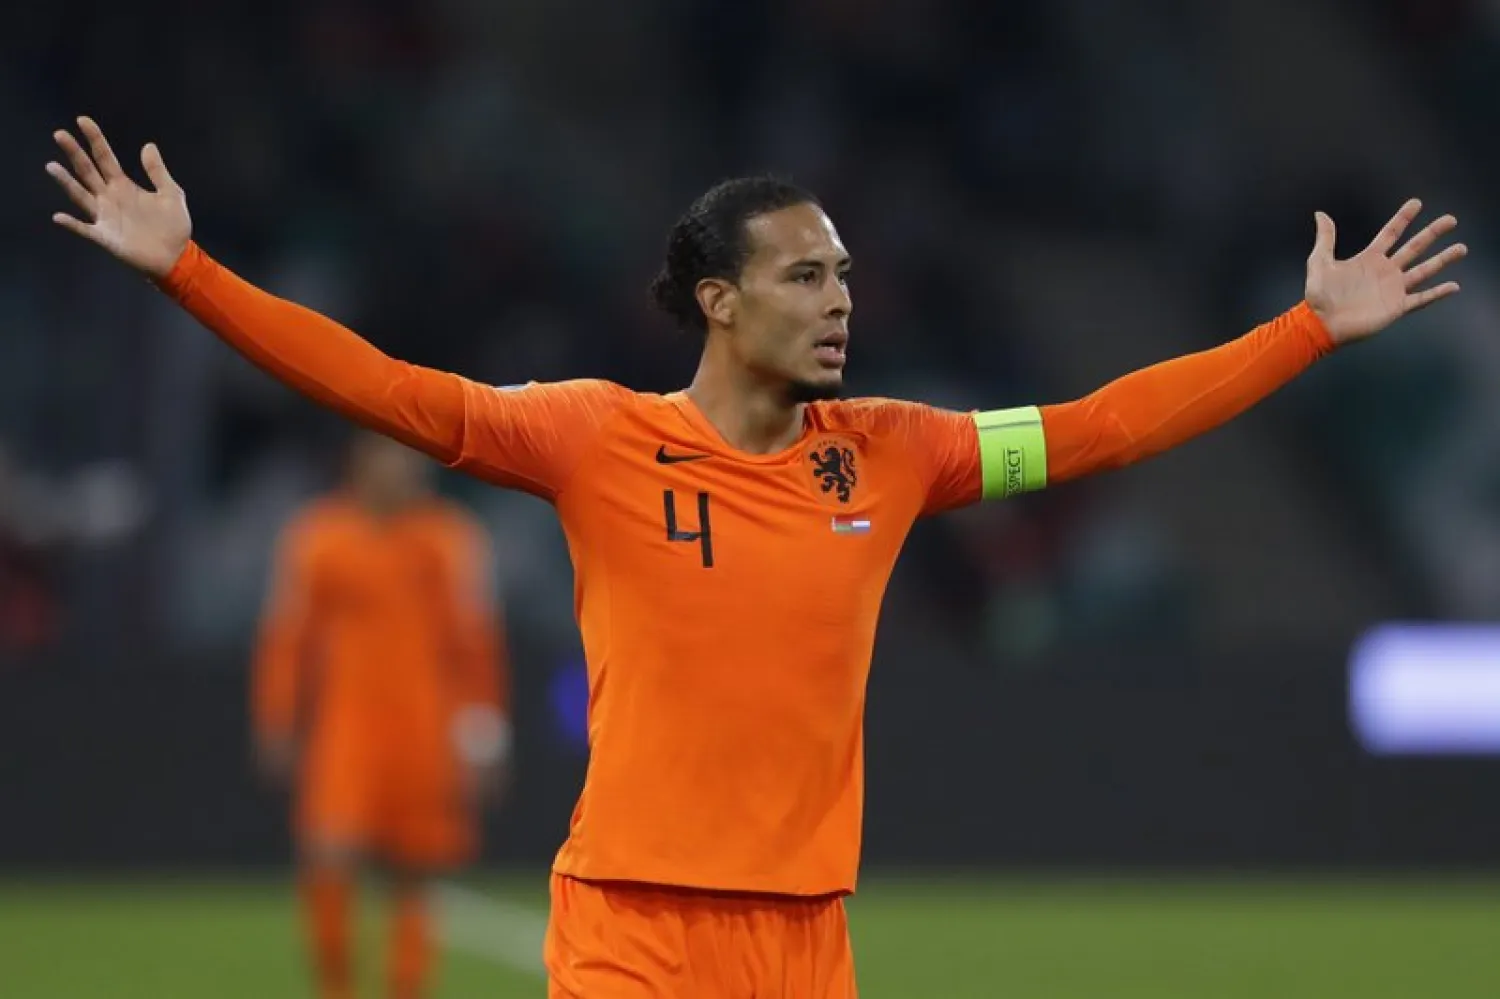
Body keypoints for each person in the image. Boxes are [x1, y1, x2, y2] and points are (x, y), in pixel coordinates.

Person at [47, 116, 1465, 998]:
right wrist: (190, 270)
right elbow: (390, 390)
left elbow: (1100, 426)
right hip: (631, 924)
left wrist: (1306, 330)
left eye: (844, 273)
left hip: (804, 935)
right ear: (719, 302)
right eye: (806, 274)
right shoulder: (589, 439)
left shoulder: (902, 450)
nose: (840, 297)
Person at [252, 429, 511, 999]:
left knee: (416, 870)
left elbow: (476, 648)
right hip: (345, 731)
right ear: (358, 464)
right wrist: (277, 715)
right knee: (328, 856)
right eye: (388, 457)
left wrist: (484, 739)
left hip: (424, 729)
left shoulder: (450, 540)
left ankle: (406, 988)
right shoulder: (318, 538)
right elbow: (287, 637)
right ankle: (336, 986)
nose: (402, 470)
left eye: (409, 460)